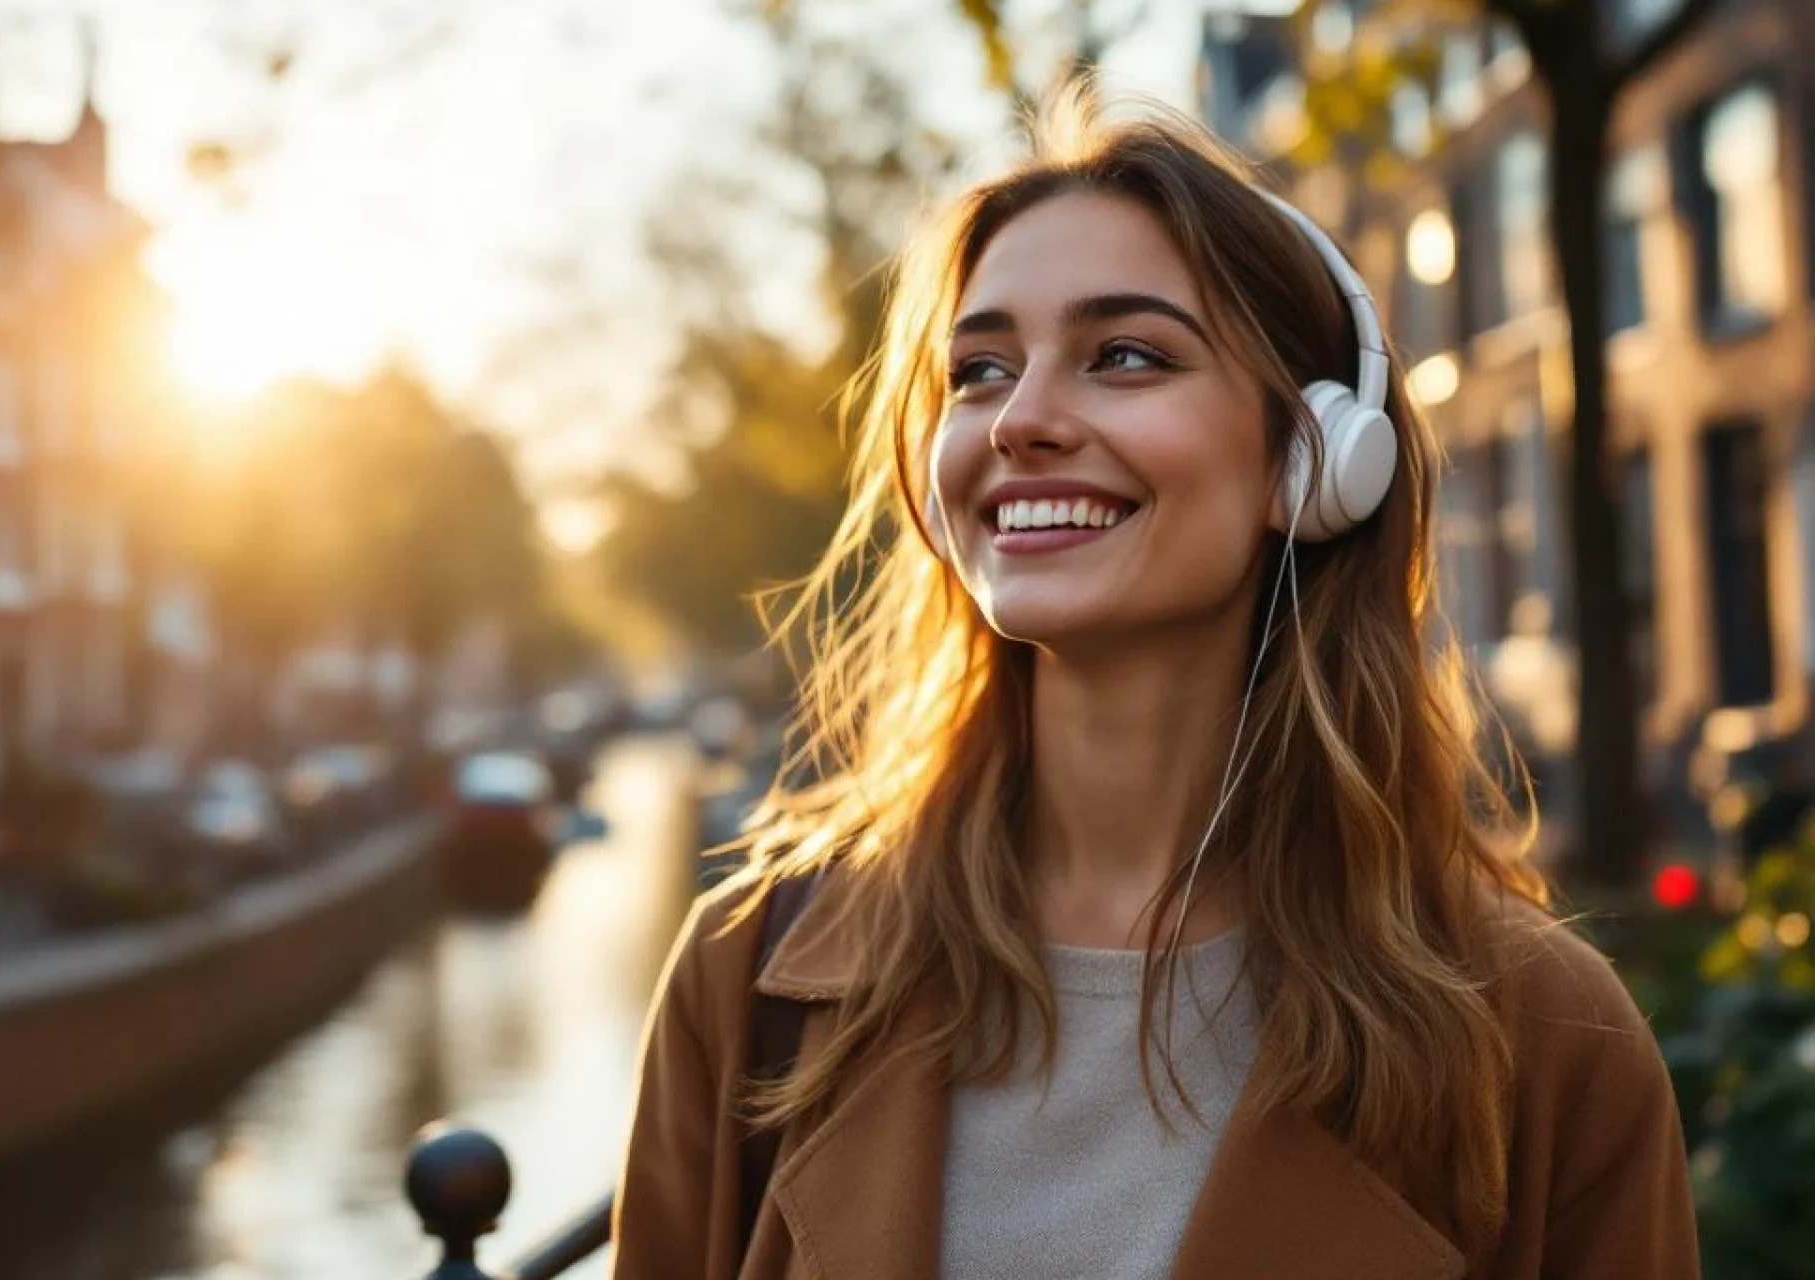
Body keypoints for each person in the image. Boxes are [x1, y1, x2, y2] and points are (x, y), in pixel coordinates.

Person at [613, 89, 1699, 1280]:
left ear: (1313, 458)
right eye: (978, 368)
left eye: (1124, 355)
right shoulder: (746, 976)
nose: (1022, 417)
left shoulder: (1544, 1042)